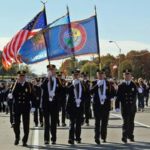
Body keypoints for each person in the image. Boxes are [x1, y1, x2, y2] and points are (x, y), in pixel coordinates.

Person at [10, 70, 35, 146]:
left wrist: (33, 106)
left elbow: (32, 96)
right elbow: (12, 94)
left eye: (23, 76)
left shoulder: (29, 85)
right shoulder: (14, 84)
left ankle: (25, 140)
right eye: (20, 76)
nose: (21, 78)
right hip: (17, 107)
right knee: (16, 124)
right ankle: (17, 137)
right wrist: (16, 84)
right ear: (18, 77)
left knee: (26, 125)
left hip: (25, 107)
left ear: (25, 77)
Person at [91, 69, 115, 144]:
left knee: (104, 122)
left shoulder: (108, 83)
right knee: (97, 122)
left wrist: (107, 97)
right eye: (99, 74)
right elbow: (90, 91)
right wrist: (97, 85)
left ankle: (103, 137)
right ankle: (96, 137)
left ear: (104, 75)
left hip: (105, 105)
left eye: (102, 74)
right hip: (97, 105)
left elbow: (113, 93)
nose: (101, 76)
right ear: (97, 75)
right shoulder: (94, 83)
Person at [115, 69, 137, 143]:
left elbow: (135, 96)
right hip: (124, 107)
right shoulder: (121, 85)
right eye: (126, 75)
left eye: (128, 75)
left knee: (131, 122)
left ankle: (130, 136)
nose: (127, 76)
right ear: (123, 76)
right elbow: (118, 97)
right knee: (125, 122)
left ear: (131, 76)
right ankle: (124, 136)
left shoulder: (134, 85)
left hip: (132, 107)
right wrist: (117, 106)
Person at [41, 64, 59, 145]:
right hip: (46, 104)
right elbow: (42, 87)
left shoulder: (58, 80)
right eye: (49, 70)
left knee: (53, 122)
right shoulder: (45, 80)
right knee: (47, 122)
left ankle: (54, 139)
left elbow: (62, 92)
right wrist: (47, 79)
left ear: (55, 70)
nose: (51, 71)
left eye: (52, 70)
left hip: (54, 104)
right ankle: (46, 139)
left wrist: (58, 100)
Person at [66, 69, 84, 144]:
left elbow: (86, 94)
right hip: (72, 107)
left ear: (79, 75)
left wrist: (81, 100)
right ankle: (71, 138)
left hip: (80, 106)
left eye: (77, 75)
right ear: (72, 76)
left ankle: (78, 137)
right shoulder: (70, 84)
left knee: (78, 124)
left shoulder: (82, 84)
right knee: (72, 123)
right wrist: (67, 109)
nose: (76, 76)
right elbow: (66, 94)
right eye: (74, 75)